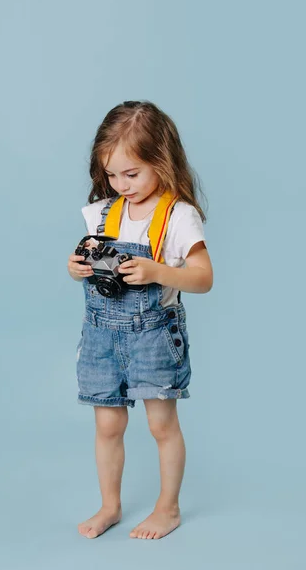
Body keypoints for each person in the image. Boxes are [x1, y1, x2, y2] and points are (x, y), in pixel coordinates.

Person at [67, 100, 213, 540]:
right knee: (107, 424)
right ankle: (110, 505)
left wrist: (157, 272)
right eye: (111, 174)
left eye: (132, 174)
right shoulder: (102, 213)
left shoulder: (177, 216)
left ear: (161, 162)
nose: (121, 184)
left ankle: (168, 508)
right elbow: (93, 265)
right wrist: (76, 267)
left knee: (160, 424)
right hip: (100, 334)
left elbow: (204, 279)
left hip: (152, 334)